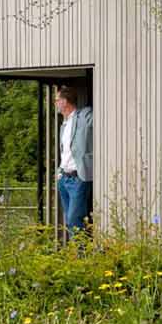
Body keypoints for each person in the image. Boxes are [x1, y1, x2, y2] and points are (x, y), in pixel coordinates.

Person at [54, 83, 93, 236]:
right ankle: (76, 254)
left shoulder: (83, 117)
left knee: (74, 220)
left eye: (56, 100)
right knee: (70, 220)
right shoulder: (64, 124)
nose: (55, 104)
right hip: (64, 178)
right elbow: (65, 152)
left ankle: (81, 256)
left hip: (78, 179)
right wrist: (59, 173)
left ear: (64, 102)